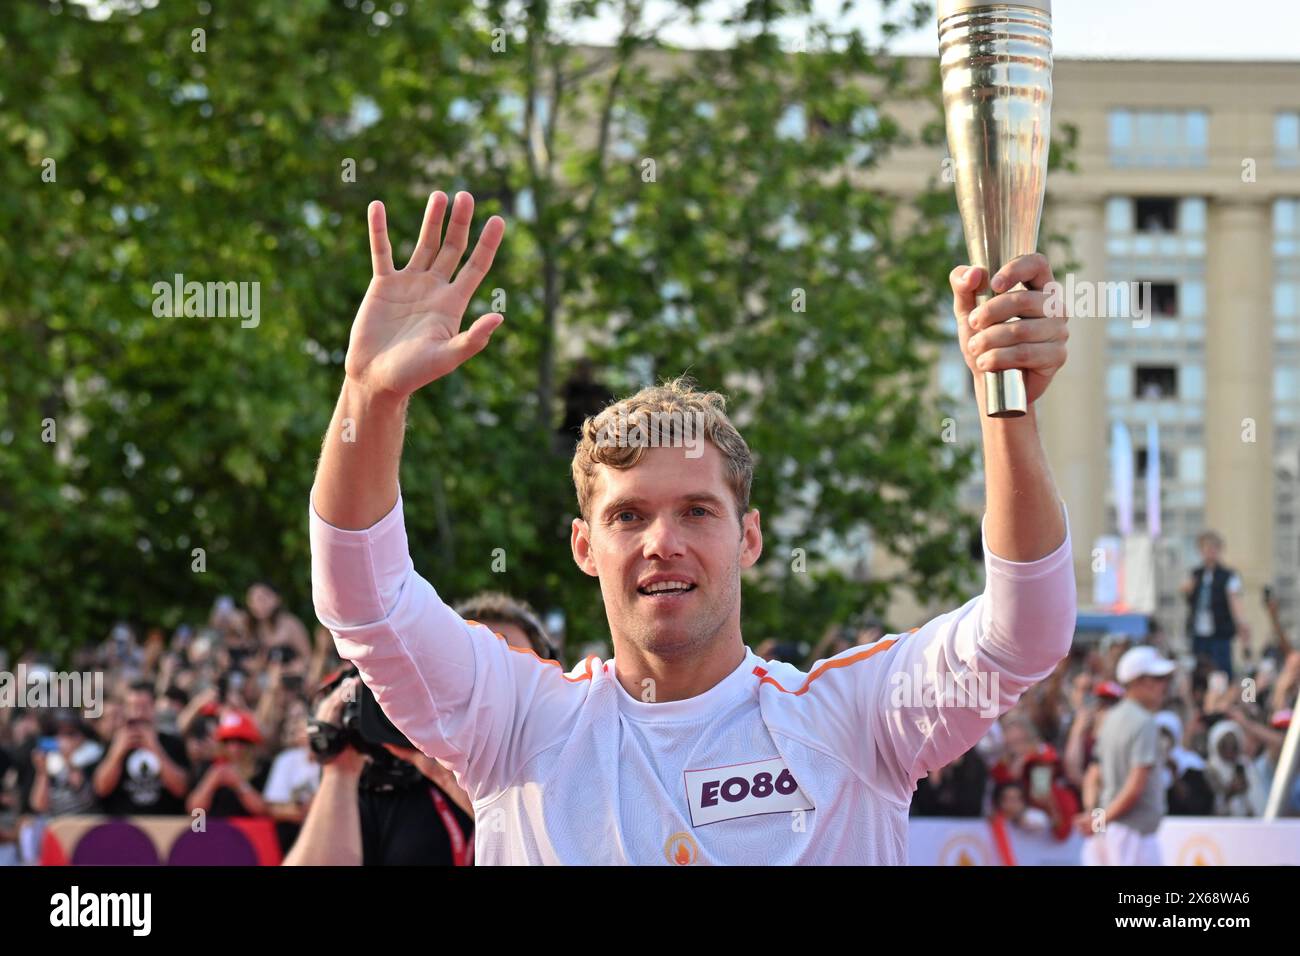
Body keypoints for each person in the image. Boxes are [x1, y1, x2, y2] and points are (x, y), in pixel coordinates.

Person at [309, 189, 1076, 864]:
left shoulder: (851, 720)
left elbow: (1024, 633)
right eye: (628, 516)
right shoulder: (514, 722)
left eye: (697, 511)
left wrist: (1006, 406)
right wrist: (370, 401)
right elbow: (366, 605)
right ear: (585, 547)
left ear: (750, 538)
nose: (661, 543)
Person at [1078, 645, 1172, 865]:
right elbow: (1134, 787)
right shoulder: (1144, 722)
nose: (1163, 686)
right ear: (1138, 681)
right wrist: (1098, 820)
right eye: (1156, 679)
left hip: (1108, 831)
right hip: (1133, 835)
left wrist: (1096, 816)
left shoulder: (1110, 718)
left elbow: (1093, 774)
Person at [91, 681, 191, 815]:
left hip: (165, 828)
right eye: (132, 707)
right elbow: (100, 789)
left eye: (144, 707)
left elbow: (182, 789)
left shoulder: (172, 743)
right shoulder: (114, 743)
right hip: (123, 828)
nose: (138, 714)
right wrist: (117, 753)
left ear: (154, 708)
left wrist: (155, 748)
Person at [1180, 531, 1249, 678]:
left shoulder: (1228, 575)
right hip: (1198, 632)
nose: (1209, 552)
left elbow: (1234, 601)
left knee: (1221, 670)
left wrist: (1242, 623)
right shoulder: (1195, 574)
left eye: (1213, 548)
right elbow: (1187, 595)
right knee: (1198, 671)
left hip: (1220, 632)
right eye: (1206, 549)